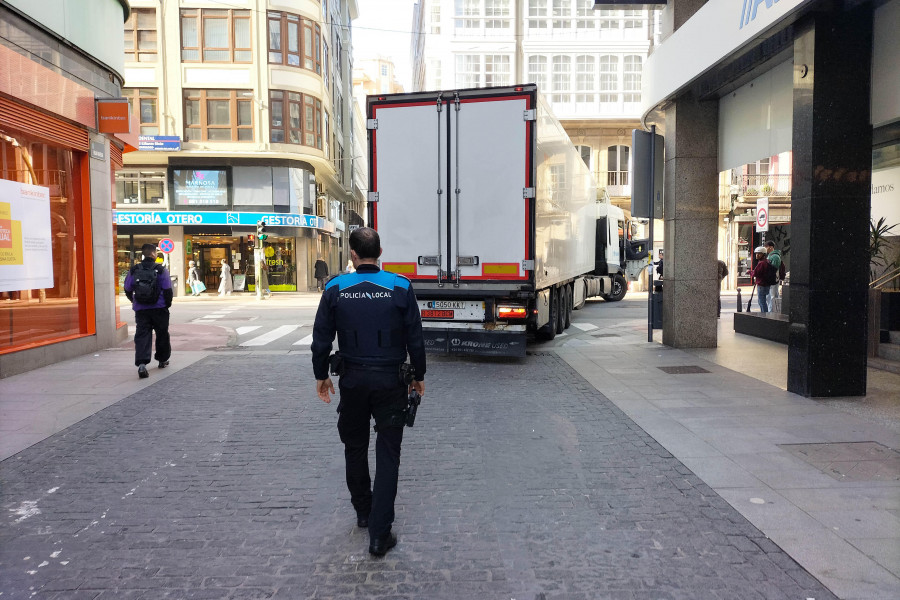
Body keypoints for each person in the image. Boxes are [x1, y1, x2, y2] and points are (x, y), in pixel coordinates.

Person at [311, 227, 426, 557]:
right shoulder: (401, 286)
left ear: (352, 254)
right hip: (391, 381)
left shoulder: (335, 287)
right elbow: (415, 338)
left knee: (355, 445)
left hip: (352, 382)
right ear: (380, 252)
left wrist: (321, 375)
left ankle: (363, 511)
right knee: (389, 453)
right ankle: (380, 534)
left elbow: (321, 338)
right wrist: (418, 375)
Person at [124, 244, 173, 379]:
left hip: (141, 309)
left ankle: (141, 363)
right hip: (159, 308)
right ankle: (162, 359)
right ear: (153, 254)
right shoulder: (161, 270)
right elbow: (168, 290)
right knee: (162, 333)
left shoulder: (134, 270)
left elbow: (128, 288)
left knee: (142, 335)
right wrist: (166, 305)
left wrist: (135, 301)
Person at [750, 246, 773, 313]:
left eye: (759, 254)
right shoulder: (767, 261)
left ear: (763, 255)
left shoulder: (761, 263)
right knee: (763, 301)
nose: (757, 255)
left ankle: (764, 315)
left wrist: (750, 272)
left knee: (761, 302)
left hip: (761, 284)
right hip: (766, 284)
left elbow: (756, 273)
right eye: (756, 253)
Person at [765, 241, 783, 311]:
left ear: (770, 247)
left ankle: (772, 312)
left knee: (773, 296)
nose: (765, 249)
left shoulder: (775, 256)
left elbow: (774, 269)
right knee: (770, 296)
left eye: (766, 247)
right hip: (771, 279)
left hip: (773, 279)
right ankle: (772, 311)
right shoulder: (770, 255)